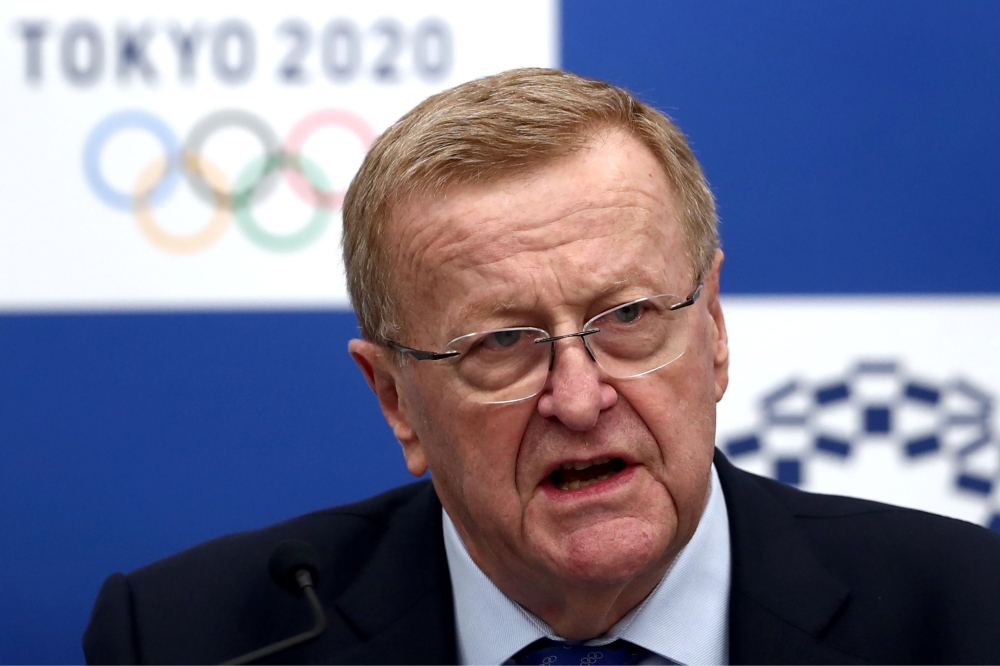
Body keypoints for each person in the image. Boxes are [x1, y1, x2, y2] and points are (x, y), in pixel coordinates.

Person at [83, 68, 1000, 665]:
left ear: (714, 329)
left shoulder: (966, 616)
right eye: (500, 343)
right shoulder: (188, 639)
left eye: (628, 317)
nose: (580, 397)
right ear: (395, 399)